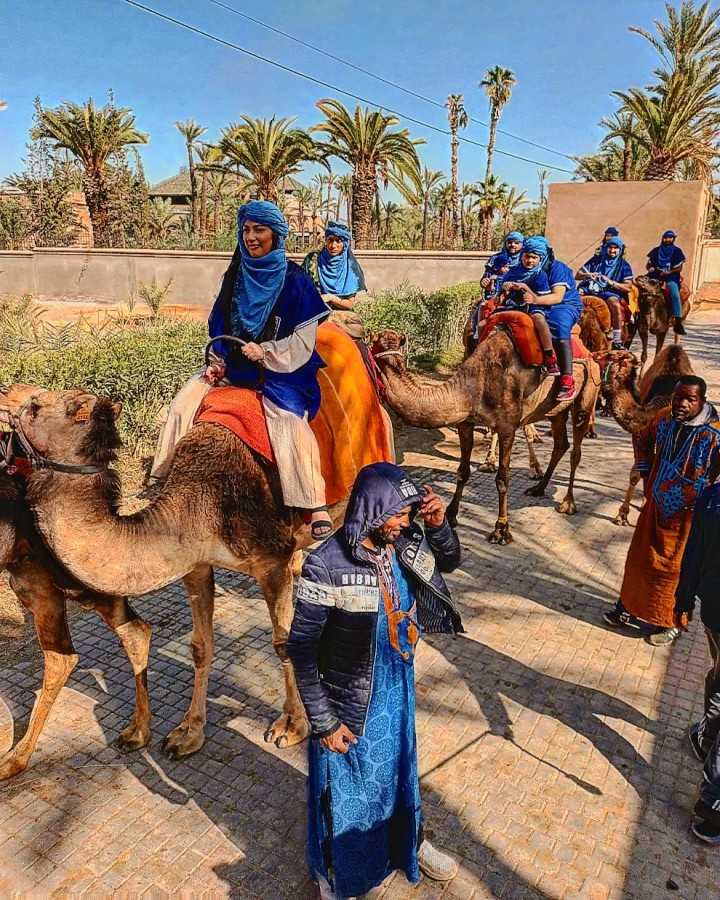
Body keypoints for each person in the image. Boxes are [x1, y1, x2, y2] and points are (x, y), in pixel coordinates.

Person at [287, 462, 463, 898]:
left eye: (409, 513)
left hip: (396, 688)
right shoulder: (325, 566)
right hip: (350, 700)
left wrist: (438, 526)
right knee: (348, 793)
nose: (406, 522)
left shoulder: (401, 545)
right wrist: (324, 721)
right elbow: (301, 649)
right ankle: (335, 876)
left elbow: (452, 561)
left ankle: (409, 844)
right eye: (398, 513)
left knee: (398, 776)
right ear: (372, 509)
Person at [150, 200, 333, 539]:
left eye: (259, 230)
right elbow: (220, 325)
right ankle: (162, 479)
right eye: (246, 230)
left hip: (282, 371)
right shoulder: (234, 276)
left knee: (289, 423)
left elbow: (302, 344)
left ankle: (314, 501)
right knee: (183, 403)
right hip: (236, 368)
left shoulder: (296, 282)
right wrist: (217, 363)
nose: (251, 237)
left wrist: (265, 351)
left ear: (276, 235)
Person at [604, 376, 720, 644]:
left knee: (673, 570)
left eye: (689, 399)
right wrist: (645, 471)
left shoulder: (713, 434)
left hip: (688, 517)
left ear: (701, 400)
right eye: (678, 397)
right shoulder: (664, 418)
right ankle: (628, 608)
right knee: (639, 560)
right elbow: (642, 437)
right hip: (654, 506)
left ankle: (669, 622)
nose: (681, 403)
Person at [674, 481, 720, 843]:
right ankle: (713, 804)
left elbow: (694, 552)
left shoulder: (713, 495)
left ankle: (707, 738)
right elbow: (694, 551)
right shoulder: (713, 496)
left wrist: (684, 598)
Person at [499, 235, 584, 401]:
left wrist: (535, 299)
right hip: (533, 302)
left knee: (558, 327)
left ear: (544, 255)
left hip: (562, 304)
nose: (530, 259)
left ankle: (567, 379)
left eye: (535, 256)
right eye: (527, 255)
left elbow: (557, 297)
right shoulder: (521, 269)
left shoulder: (557, 269)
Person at [302, 221, 367, 340]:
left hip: (343, 318)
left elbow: (349, 304)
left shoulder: (351, 268)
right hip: (314, 315)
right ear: (325, 240)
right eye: (330, 240)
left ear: (345, 244)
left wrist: (331, 298)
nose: (333, 245)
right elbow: (301, 288)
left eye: (338, 241)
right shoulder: (312, 260)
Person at [576, 236, 634, 349]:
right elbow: (578, 275)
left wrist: (611, 282)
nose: (612, 251)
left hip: (609, 292)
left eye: (615, 248)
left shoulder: (624, 266)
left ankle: (617, 339)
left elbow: (628, 287)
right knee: (572, 300)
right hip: (591, 289)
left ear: (620, 250)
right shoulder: (596, 260)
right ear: (606, 248)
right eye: (610, 248)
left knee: (615, 305)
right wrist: (588, 275)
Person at [647, 230, 687, 336]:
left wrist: (669, 272)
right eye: (666, 237)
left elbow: (679, 268)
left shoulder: (677, 251)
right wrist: (650, 268)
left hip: (671, 276)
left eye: (670, 238)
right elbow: (649, 264)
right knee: (641, 288)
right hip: (655, 275)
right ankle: (637, 316)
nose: (667, 240)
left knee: (674, 293)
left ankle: (678, 321)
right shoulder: (656, 251)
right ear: (662, 238)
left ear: (673, 239)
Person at [481, 231, 524, 299]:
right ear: (505, 243)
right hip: (493, 296)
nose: (512, 245)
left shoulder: (524, 260)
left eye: (516, 243)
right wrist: (484, 282)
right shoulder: (495, 258)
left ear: (522, 244)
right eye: (509, 242)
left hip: (515, 298)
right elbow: (487, 275)